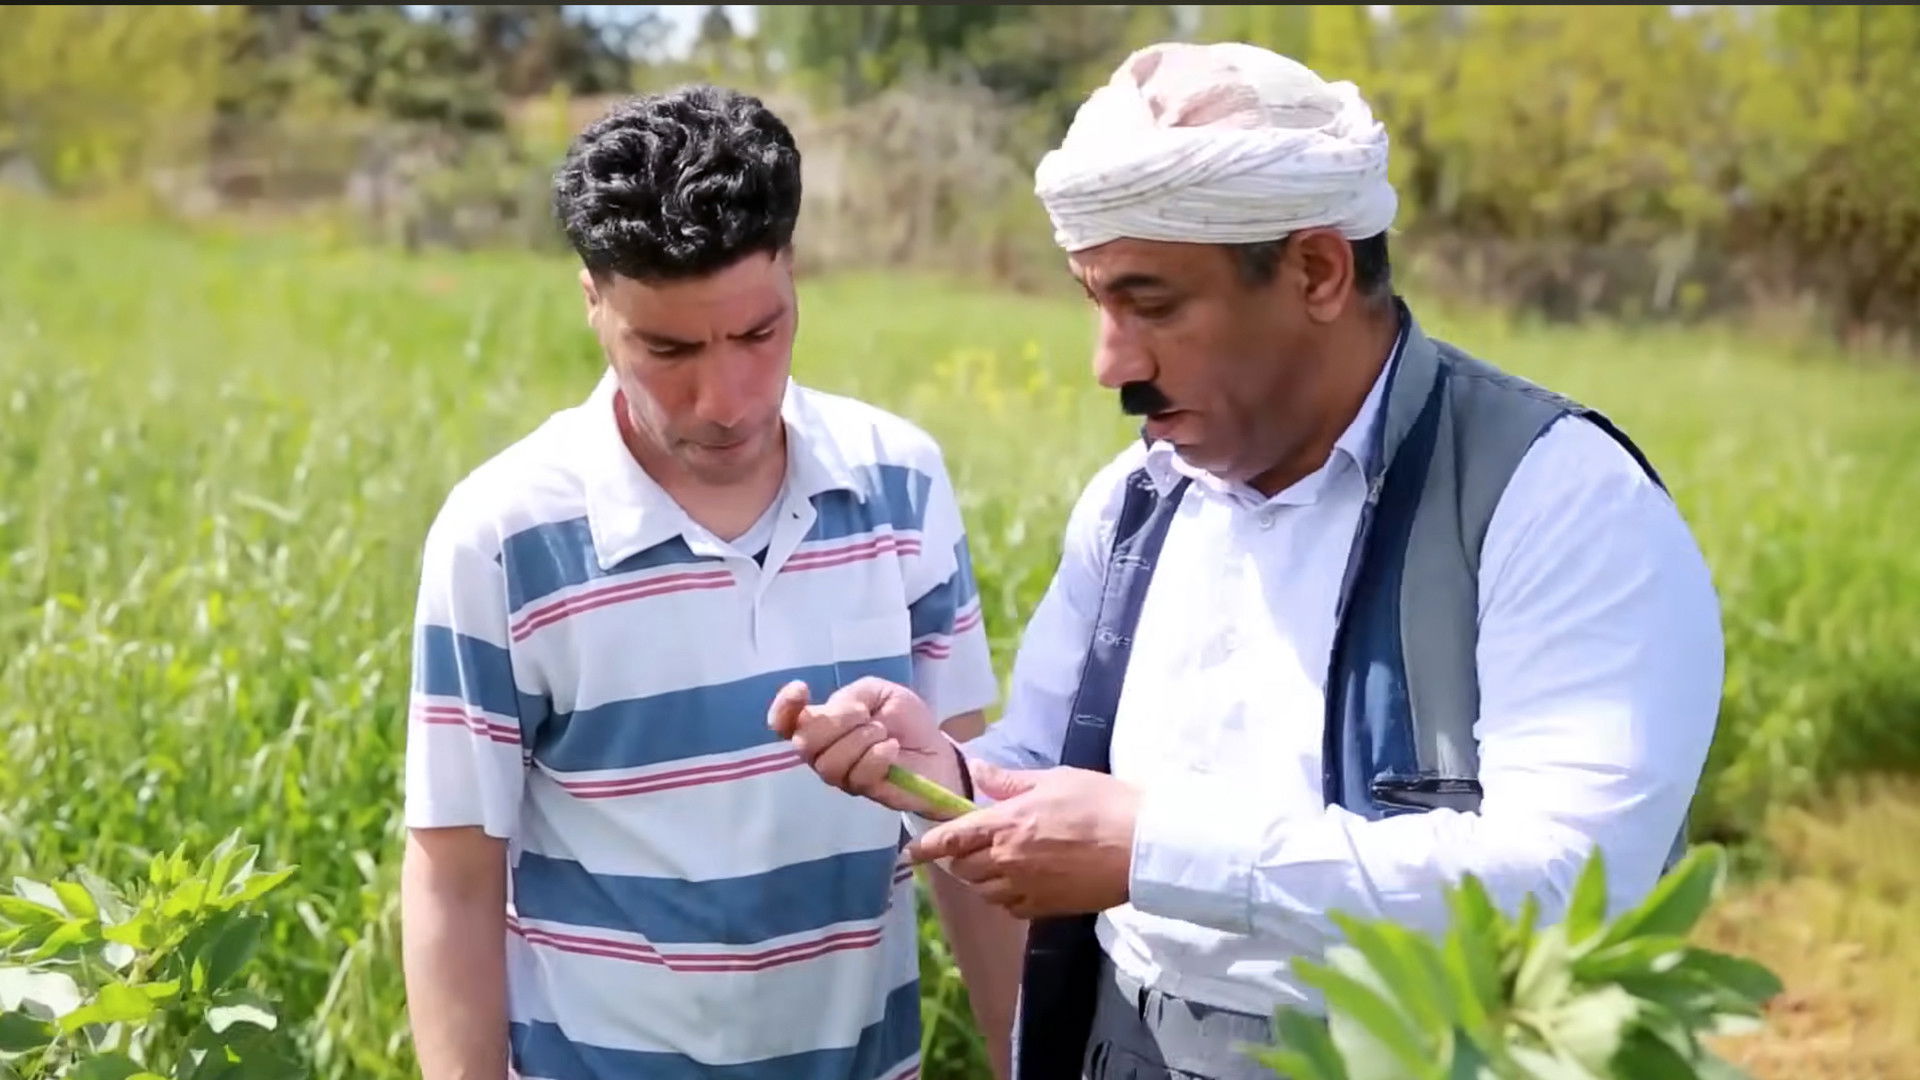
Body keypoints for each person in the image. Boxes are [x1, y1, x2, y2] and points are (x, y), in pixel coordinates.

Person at [769, 42, 1725, 1080]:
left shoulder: (1555, 498)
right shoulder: (1134, 503)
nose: (1111, 365)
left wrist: (1155, 852)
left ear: (1317, 270)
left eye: (1153, 304)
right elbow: (1050, 778)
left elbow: (1574, 884)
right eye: (1095, 302)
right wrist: (949, 776)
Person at [398, 84, 1022, 1080]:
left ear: (794, 278)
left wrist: (1017, 1058)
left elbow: (969, 819)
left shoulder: (899, 484)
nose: (724, 400)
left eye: (758, 335)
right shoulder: (506, 537)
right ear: (593, 301)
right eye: (669, 350)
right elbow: (454, 877)